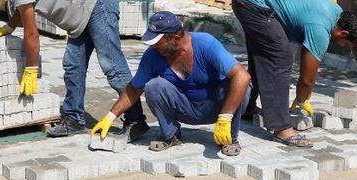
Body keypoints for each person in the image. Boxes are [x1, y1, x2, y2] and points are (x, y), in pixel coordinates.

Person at [0, 0, 148, 140]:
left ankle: (136, 121)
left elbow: (31, 34)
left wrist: (31, 68)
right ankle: (74, 119)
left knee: (112, 66)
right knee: (73, 64)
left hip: (98, 3)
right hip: (82, 10)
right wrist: (9, 26)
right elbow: (24, 5)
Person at [232, 0, 357, 147]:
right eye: (347, 44)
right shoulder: (321, 29)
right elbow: (307, 79)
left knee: (263, 55)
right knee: (280, 56)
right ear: (344, 33)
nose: (344, 47)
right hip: (252, 1)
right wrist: (302, 98)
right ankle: (281, 128)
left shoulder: (336, 13)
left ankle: (246, 107)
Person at [91, 11, 251, 156]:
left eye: (158, 42)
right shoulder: (153, 55)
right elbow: (134, 88)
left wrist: (224, 117)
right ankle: (171, 135)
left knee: (239, 84)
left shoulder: (205, 44)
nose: (154, 46)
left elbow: (242, 76)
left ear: (175, 38)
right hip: (185, 109)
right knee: (154, 86)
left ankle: (229, 137)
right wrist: (110, 117)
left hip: (216, 108)